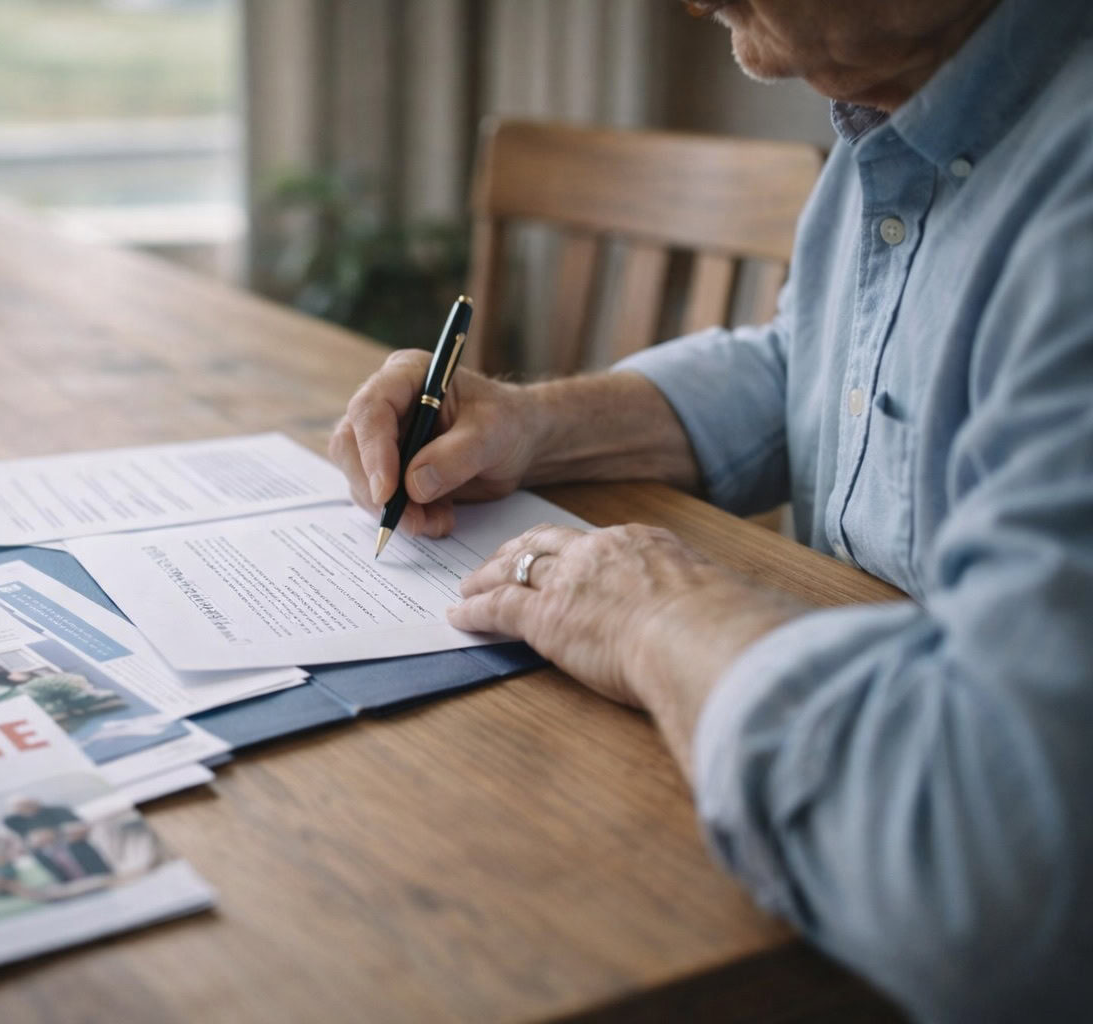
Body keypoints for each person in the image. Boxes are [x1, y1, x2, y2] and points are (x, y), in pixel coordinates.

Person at [329, 0, 1092, 1019]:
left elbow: (982, 870)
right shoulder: (906, 119)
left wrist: (657, 613)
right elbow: (818, 368)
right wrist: (534, 423)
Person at [3, 796, 110, 882]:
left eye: (27, 804)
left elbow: (79, 827)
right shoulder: (15, 822)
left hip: (70, 843)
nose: (26, 809)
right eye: (20, 807)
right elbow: (21, 844)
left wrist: (54, 834)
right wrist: (34, 841)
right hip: (47, 851)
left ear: (35, 802)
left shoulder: (58, 810)